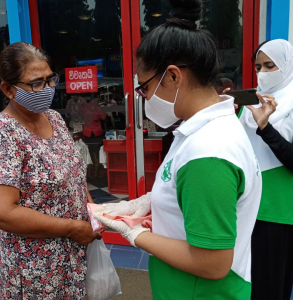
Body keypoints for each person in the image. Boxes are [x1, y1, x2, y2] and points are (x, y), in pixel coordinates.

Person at [93, 0, 262, 299]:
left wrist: (134, 233)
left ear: (173, 76)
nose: (143, 97)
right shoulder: (198, 129)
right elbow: (189, 191)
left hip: (202, 291)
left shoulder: (209, 151)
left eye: (144, 87)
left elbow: (212, 263)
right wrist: (151, 203)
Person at [0, 42, 101, 300]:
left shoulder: (53, 118)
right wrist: (71, 228)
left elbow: (73, 175)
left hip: (73, 254)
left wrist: (93, 215)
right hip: (35, 267)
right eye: (36, 83)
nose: (46, 89)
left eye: (50, 80)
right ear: (8, 89)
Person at [238, 39, 293, 300]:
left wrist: (266, 128)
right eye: (258, 66)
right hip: (245, 205)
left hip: (278, 212)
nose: (262, 72)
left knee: (272, 288)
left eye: (270, 65)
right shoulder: (250, 104)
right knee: (247, 282)